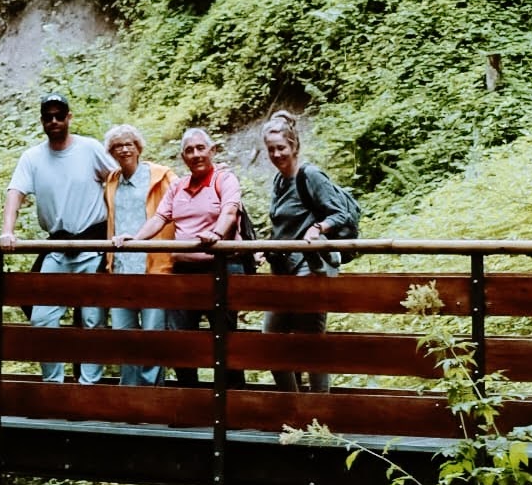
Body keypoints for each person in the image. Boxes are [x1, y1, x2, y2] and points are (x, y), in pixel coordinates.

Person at [118, 127, 245, 389]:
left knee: (225, 338)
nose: (196, 154)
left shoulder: (224, 179)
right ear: (183, 157)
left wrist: (216, 234)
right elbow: (160, 218)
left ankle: (234, 402)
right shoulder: (178, 186)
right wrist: (136, 239)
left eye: (201, 148)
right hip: (185, 272)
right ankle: (190, 399)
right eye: (189, 150)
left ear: (212, 151)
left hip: (220, 268)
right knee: (181, 340)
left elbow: (230, 213)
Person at [0, 93, 114, 384]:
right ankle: (53, 382)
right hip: (56, 247)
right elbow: (16, 193)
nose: (54, 121)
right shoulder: (33, 157)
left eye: (59, 115)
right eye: (48, 116)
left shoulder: (89, 149)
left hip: (92, 243)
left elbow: (119, 180)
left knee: (92, 319)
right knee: (42, 318)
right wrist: (7, 230)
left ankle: (89, 384)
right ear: (42, 121)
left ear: (68, 118)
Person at [261, 110, 356, 393]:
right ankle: (293, 403)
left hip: (311, 267)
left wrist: (318, 228)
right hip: (284, 269)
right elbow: (284, 224)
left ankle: (319, 413)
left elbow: (341, 215)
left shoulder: (310, 175)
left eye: (281, 147)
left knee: (310, 342)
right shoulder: (279, 181)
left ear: (294, 146)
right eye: (271, 149)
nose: (276, 154)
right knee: (271, 337)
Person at [104, 124, 177, 387]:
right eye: (117, 146)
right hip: (122, 268)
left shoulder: (160, 175)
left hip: (153, 267)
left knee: (151, 336)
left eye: (129, 144)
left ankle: (151, 397)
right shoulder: (112, 180)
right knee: (124, 337)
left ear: (138, 147)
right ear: (111, 152)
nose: (124, 149)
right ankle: (129, 395)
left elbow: (183, 201)